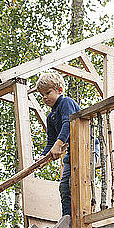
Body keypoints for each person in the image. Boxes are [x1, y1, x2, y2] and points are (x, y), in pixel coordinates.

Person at [35, 72, 83, 216]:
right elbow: (51, 140)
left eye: (48, 92)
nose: (44, 97)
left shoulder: (66, 103)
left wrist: (59, 144)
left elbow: (68, 124)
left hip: (87, 146)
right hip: (72, 151)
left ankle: (80, 214)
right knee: (64, 186)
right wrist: (43, 156)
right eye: (42, 94)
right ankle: (67, 218)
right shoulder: (50, 117)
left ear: (59, 90)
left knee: (79, 182)